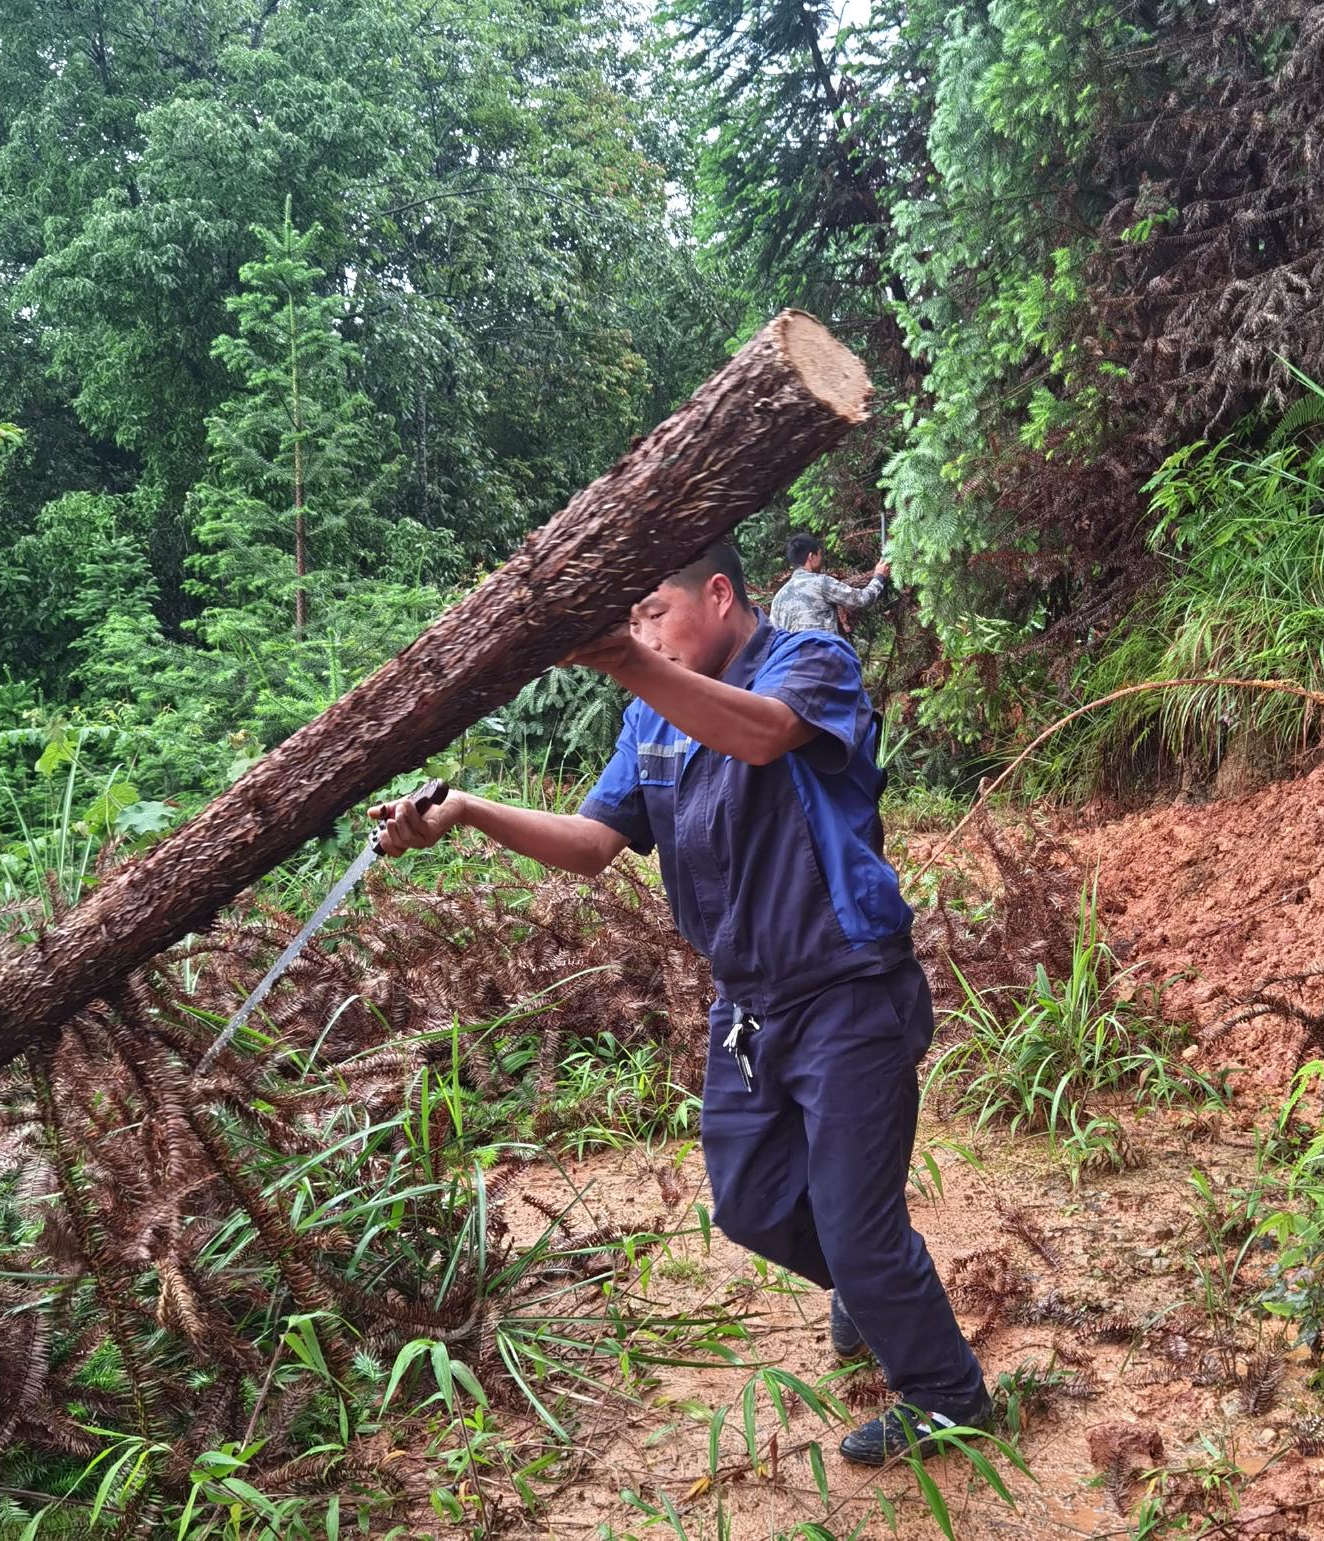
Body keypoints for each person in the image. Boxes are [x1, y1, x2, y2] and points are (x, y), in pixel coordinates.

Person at [370, 541, 992, 1465]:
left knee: (858, 1226)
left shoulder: (809, 661)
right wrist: (469, 811)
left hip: (847, 990)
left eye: (650, 610)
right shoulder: (648, 718)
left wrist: (629, 660)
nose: (638, 631)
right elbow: (590, 842)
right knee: (749, 1204)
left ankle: (947, 1391)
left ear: (718, 591)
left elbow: (762, 735)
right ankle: (868, 1284)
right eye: (627, 623)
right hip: (748, 1004)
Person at [769, 532, 890, 638]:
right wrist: (879, 577)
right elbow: (861, 600)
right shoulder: (821, 582)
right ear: (811, 557)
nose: (822, 559)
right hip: (823, 658)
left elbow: (773, 637)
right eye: (820, 554)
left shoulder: (778, 598)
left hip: (792, 662)